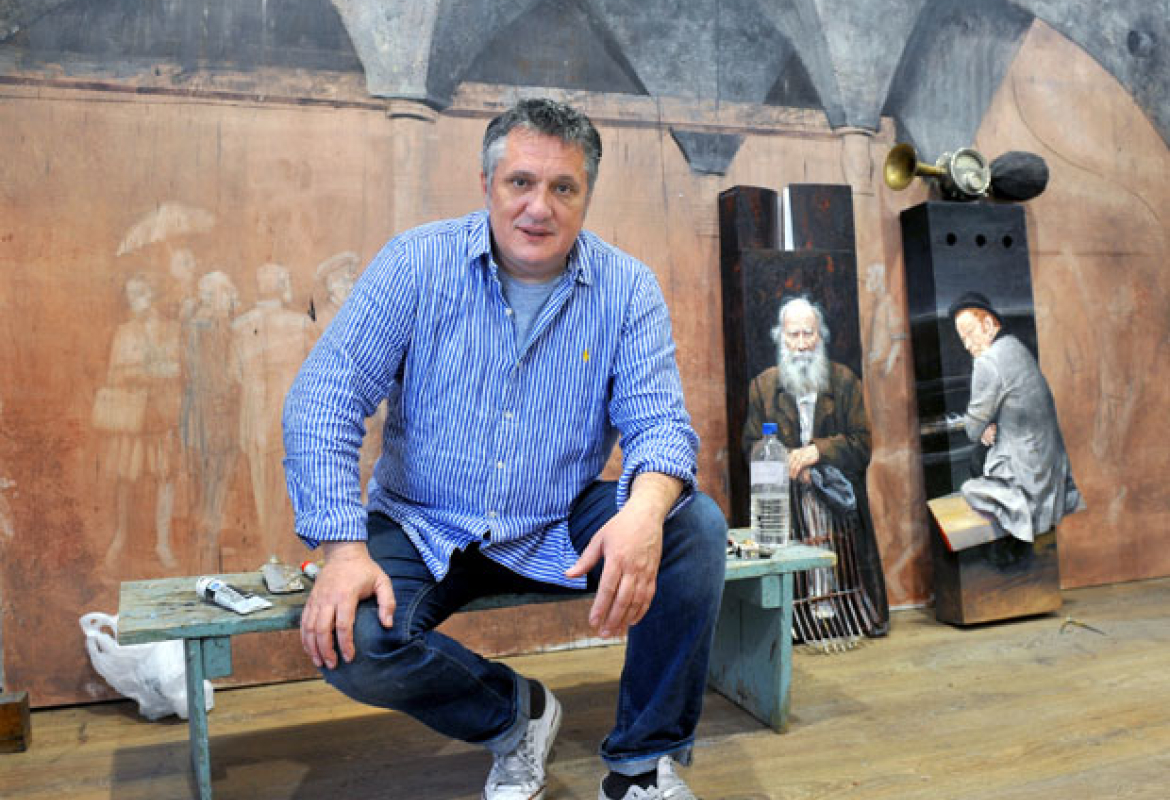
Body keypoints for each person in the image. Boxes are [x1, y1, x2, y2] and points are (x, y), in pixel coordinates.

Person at [283, 98, 727, 800]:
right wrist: (342, 551)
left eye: (563, 187)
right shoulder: (416, 264)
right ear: (487, 183)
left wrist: (644, 514)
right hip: (423, 519)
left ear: (587, 196)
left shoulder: (627, 288)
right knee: (353, 643)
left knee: (691, 525)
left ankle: (642, 767)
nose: (538, 208)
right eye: (521, 182)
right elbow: (323, 400)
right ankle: (515, 716)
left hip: (557, 519)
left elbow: (660, 425)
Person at [741, 296, 889, 636]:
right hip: (787, 504)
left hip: (838, 503)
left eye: (809, 333)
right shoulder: (762, 388)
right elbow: (750, 448)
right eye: (793, 335)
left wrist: (816, 453)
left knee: (843, 569)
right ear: (781, 337)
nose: (802, 343)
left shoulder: (845, 382)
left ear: (821, 336)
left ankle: (844, 616)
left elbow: (862, 445)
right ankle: (799, 622)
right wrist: (788, 464)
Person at [948, 292, 1083, 542]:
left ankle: (1007, 540)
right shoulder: (1015, 346)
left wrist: (983, 426)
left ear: (988, 325)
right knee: (980, 456)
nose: (967, 345)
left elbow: (972, 430)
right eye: (962, 338)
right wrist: (990, 424)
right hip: (1050, 463)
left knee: (969, 484)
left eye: (970, 334)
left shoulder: (987, 362)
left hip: (1029, 473)